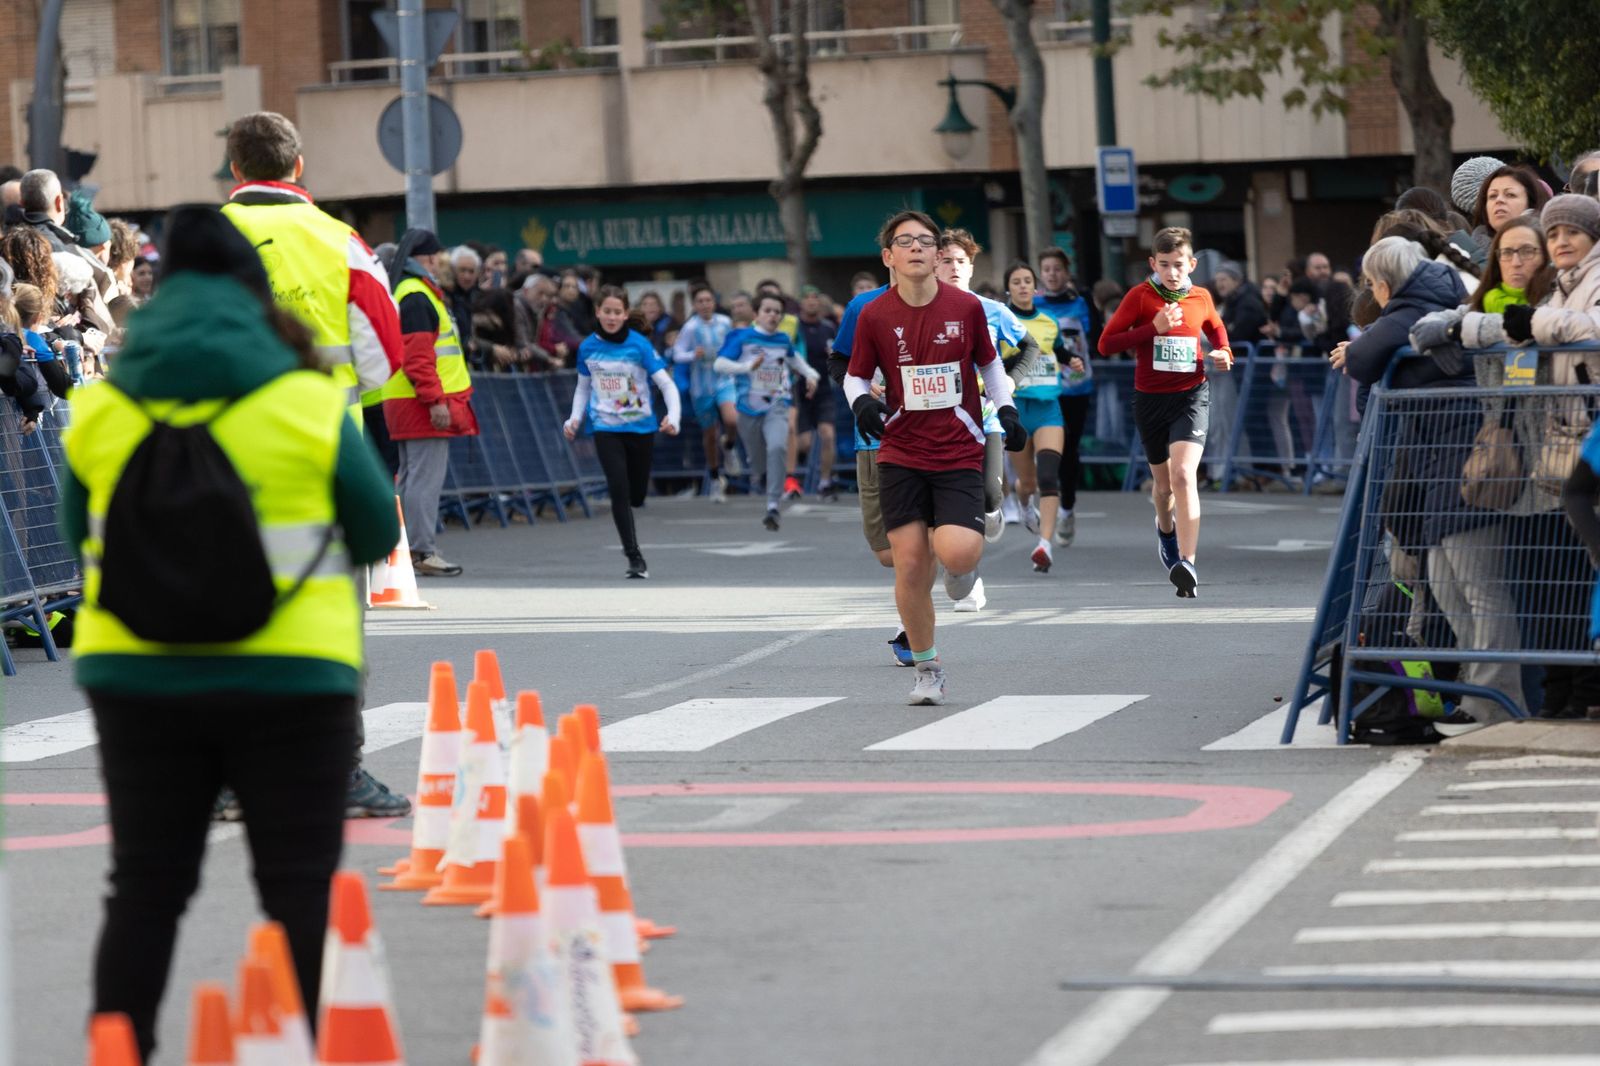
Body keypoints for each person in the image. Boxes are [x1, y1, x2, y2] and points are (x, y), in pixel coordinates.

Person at [61, 205, 400, 1062]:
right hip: (293, 679)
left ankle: (121, 1050)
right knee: (297, 891)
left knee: (144, 888)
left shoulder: (102, 411)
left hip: (137, 682)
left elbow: (78, 537)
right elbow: (372, 534)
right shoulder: (310, 401)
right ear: (255, 296)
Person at [844, 210, 1025, 704]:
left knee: (959, 553)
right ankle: (927, 668)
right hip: (901, 449)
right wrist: (861, 402)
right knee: (908, 563)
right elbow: (855, 374)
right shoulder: (875, 314)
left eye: (927, 241)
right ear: (890, 257)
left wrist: (1006, 410)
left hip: (958, 447)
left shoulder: (965, 307)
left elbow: (989, 362)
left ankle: (959, 561)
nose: (919, 248)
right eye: (907, 242)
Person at [1098, 226, 1234, 597]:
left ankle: (1187, 562)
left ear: (1192, 264)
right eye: (1164, 265)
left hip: (1191, 395)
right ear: (1152, 263)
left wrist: (1224, 354)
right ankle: (1166, 531)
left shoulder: (1202, 297)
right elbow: (1106, 344)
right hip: (1150, 401)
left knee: (1183, 474)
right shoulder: (1140, 298)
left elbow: (1219, 334)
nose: (1172, 272)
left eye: (1179, 264)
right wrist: (1151, 329)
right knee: (1162, 488)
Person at [935, 230, 1042, 607]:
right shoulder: (921, 311)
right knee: (949, 506)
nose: (952, 267)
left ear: (971, 266)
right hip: (939, 423)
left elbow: (1030, 345)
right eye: (945, 260)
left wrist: (1009, 383)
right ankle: (966, 573)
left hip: (986, 417)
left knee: (990, 495)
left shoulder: (992, 310)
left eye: (959, 261)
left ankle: (991, 511)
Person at [563, 285, 682, 577]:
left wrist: (674, 417)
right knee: (618, 488)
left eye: (618, 312)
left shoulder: (639, 345)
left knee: (637, 495)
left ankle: (635, 502)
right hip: (606, 426)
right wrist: (574, 418)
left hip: (641, 427)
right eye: (607, 311)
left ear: (626, 314)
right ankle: (634, 557)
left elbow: (666, 385)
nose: (612, 317)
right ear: (598, 312)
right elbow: (582, 388)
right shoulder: (588, 347)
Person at [383, 228, 480, 578]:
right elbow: (419, 358)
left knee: (410, 480)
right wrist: (435, 400)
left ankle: (406, 549)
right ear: (422, 260)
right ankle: (421, 550)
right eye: (437, 258)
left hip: (405, 400)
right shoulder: (418, 296)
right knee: (424, 481)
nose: (441, 265)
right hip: (422, 402)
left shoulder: (409, 293)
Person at [716, 291, 821, 530]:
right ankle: (762, 475)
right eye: (767, 311)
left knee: (777, 445)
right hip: (747, 408)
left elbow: (796, 362)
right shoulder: (743, 337)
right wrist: (746, 367)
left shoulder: (783, 340)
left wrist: (812, 376)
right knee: (758, 460)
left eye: (777, 312)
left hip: (777, 403)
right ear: (756, 314)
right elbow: (719, 364)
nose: (773, 315)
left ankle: (773, 506)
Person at [1003, 260, 1081, 573]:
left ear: (1035, 288)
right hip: (1018, 410)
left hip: (1049, 408)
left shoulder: (1049, 322)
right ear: (1008, 289)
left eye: (1026, 281)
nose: (1022, 286)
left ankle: (1044, 545)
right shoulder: (1002, 322)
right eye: (1016, 282)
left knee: (1049, 476)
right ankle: (1024, 505)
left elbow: (1058, 351)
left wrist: (1071, 360)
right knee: (1027, 482)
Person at [1034, 247, 1094, 545]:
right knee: (1041, 448)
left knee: (1068, 451)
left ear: (1066, 273)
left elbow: (1094, 340)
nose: (1052, 274)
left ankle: (1067, 507)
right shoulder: (1030, 304)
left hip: (1074, 388)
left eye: (1057, 269)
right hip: (1039, 387)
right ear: (1040, 274)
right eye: (1047, 269)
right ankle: (1038, 498)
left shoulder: (1081, 304)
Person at [672, 282, 737, 500]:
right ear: (695, 305)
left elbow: (734, 345)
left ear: (714, 302)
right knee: (709, 435)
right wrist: (693, 355)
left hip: (723, 380)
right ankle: (716, 477)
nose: (705, 305)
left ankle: (729, 446)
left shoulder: (725, 323)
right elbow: (677, 353)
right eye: (700, 301)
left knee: (731, 419)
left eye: (708, 300)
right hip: (701, 386)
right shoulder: (690, 328)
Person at [788, 284, 839, 500]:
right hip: (799, 389)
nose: (811, 301)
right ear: (801, 302)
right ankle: (790, 477)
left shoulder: (828, 328)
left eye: (815, 297)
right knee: (805, 442)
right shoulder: (793, 327)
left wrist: (833, 355)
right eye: (807, 297)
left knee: (828, 435)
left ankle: (825, 481)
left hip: (823, 389)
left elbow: (839, 354)